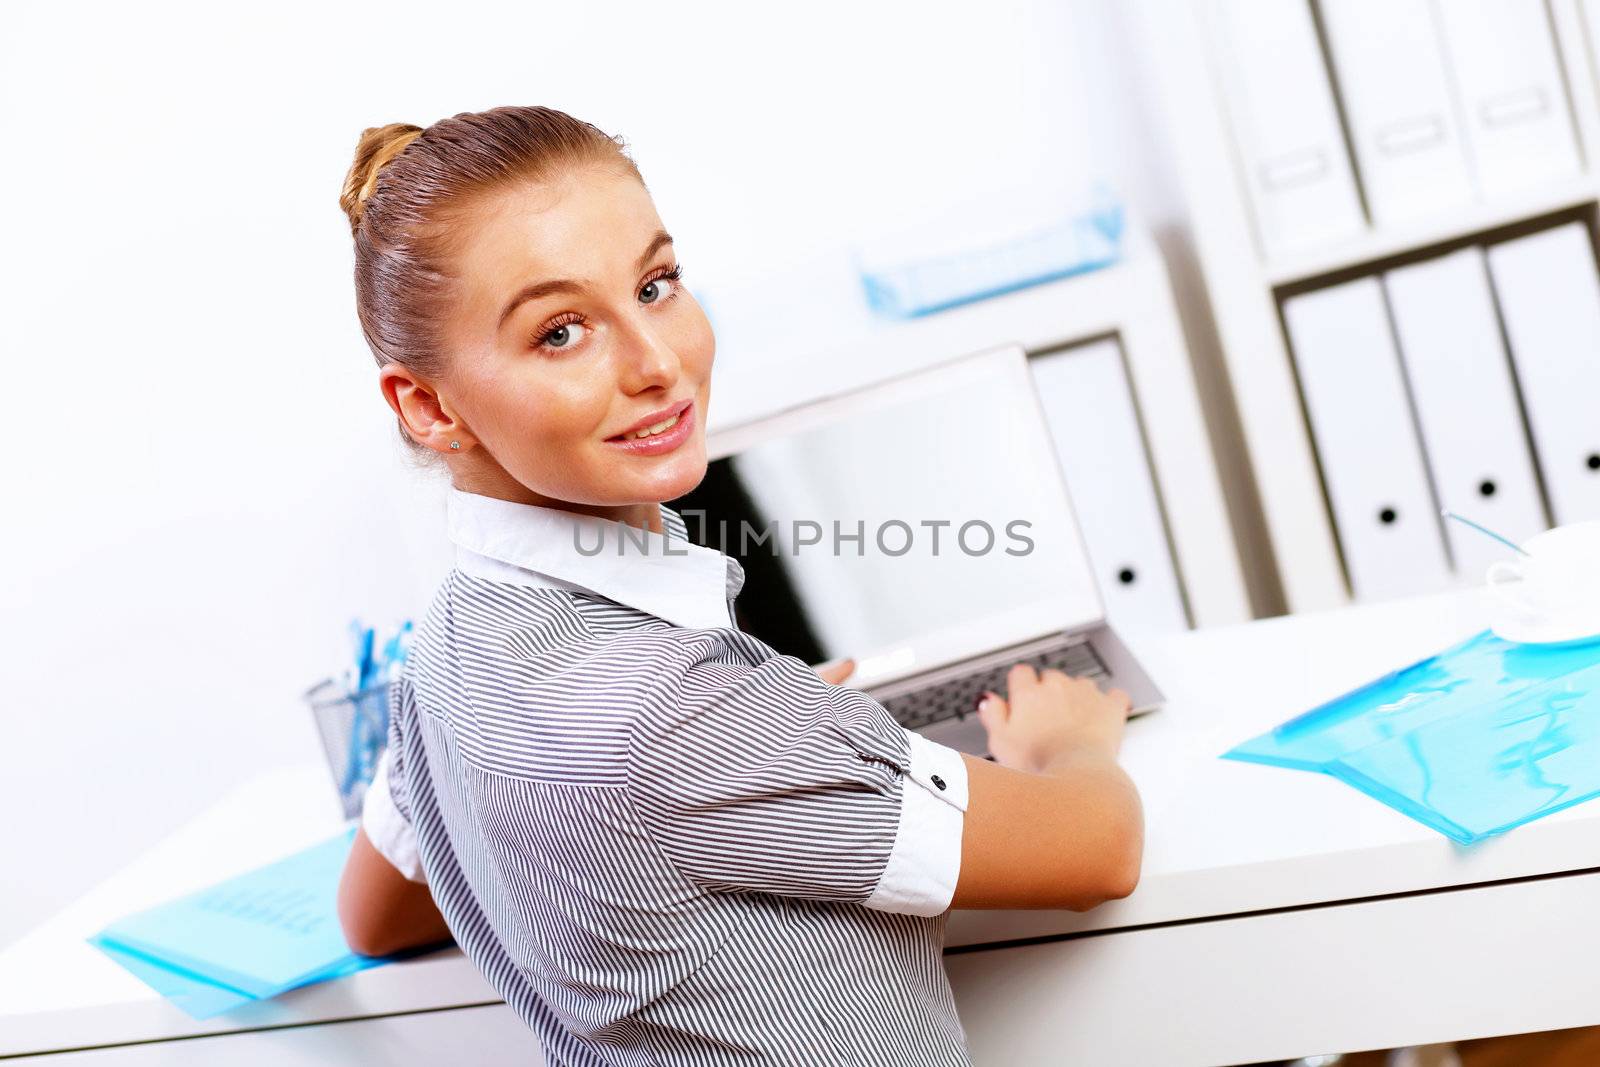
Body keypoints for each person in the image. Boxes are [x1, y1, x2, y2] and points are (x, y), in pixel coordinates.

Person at [333, 105, 1143, 1066]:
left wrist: (776, 758)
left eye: (655, 283)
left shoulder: (452, 650)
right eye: (560, 332)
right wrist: (1069, 742)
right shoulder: (680, 717)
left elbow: (371, 918)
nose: (658, 361)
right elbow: (1101, 850)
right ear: (427, 405)